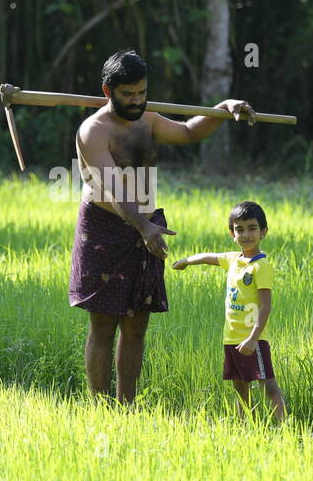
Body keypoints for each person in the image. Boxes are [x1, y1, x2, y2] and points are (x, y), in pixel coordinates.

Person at [69, 48, 257, 404]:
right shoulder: (93, 131)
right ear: (108, 91)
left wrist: (222, 108)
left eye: (142, 92)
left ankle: (126, 404)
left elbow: (188, 132)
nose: (137, 100)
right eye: (128, 95)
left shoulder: (148, 120)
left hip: (147, 227)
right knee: (104, 324)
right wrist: (142, 226)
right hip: (105, 229)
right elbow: (112, 185)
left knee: (137, 323)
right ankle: (99, 404)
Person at [171, 201, 287, 422]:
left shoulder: (261, 267)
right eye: (239, 229)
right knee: (240, 387)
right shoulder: (234, 260)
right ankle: (245, 428)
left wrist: (253, 338)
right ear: (232, 233)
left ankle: (283, 428)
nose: (246, 235)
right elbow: (208, 257)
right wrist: (186, 261)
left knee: (268, 386)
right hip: (231, 337)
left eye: (252, 228)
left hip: (254, 339)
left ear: (263, 232)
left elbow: (266, 305)